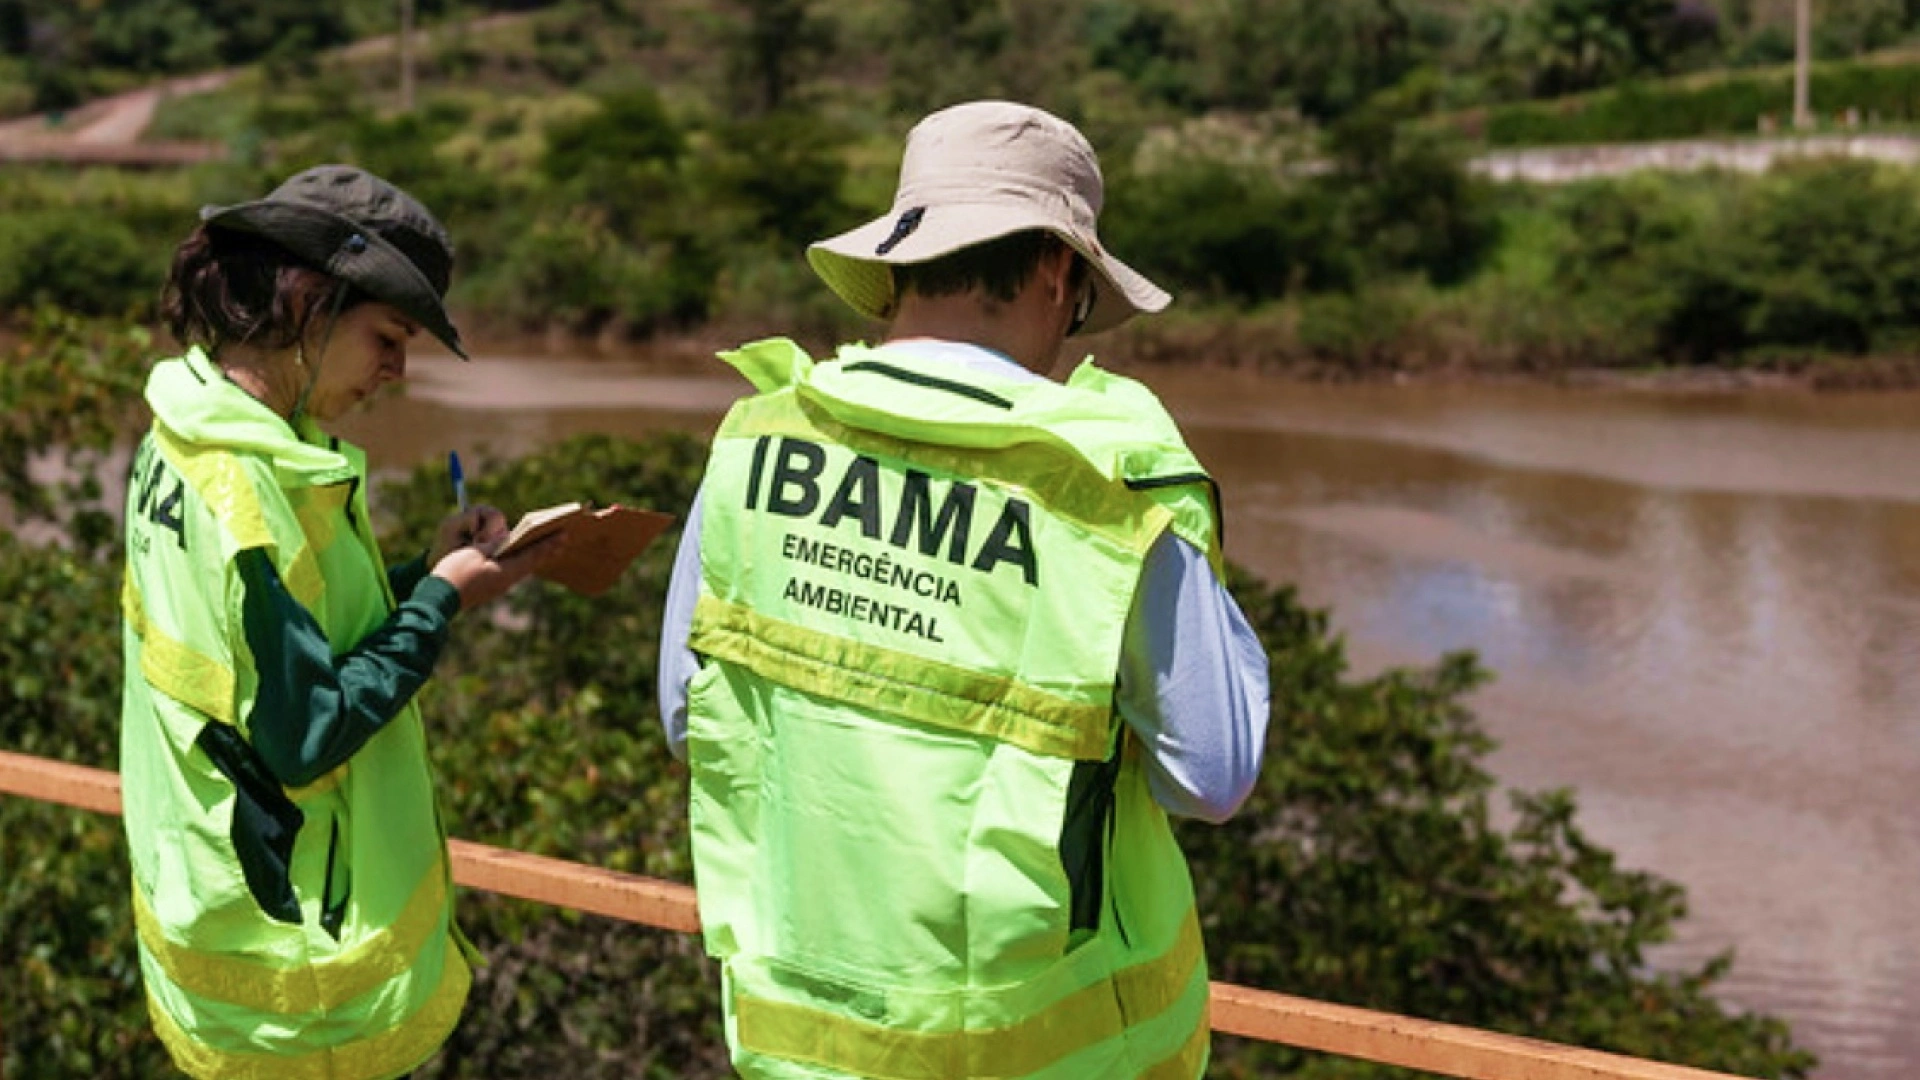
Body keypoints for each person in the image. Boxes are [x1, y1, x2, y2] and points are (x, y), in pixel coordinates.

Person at [658, 101, 1270, 1079]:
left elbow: (693, 717)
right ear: (1058, 270)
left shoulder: (759, 441)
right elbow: (1215, 772)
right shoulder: (1111, 476)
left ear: (900, 263)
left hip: (803, 1045)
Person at [119, 164, 559, 1079]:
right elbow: (306, 727)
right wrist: (440, 604)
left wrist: (428, 576)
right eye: (388, 336)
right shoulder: (251, 491)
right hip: (296, 991)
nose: (399, 371)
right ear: (308, 304)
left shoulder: (190, 437)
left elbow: (285, 639)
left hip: (223, 934)